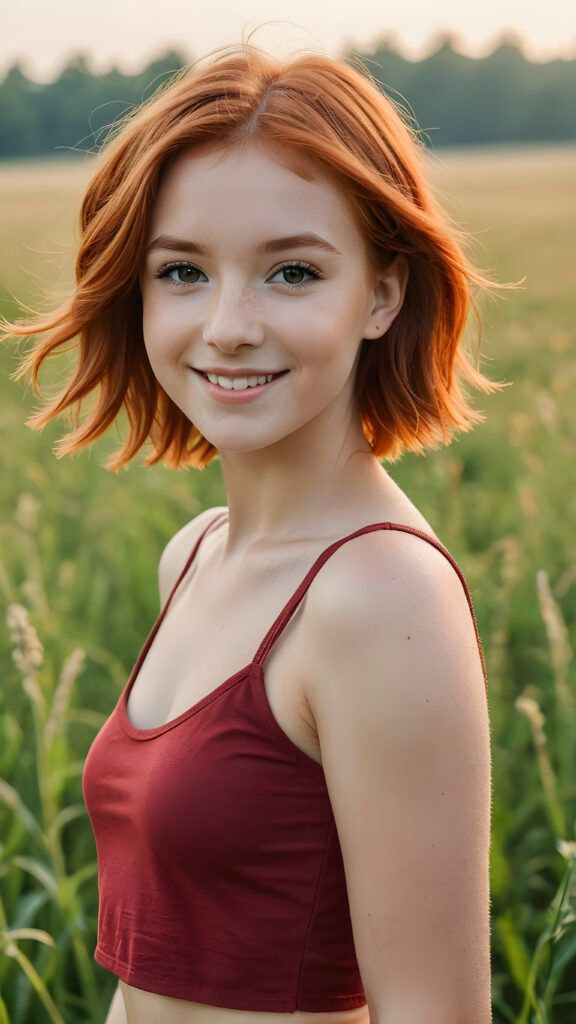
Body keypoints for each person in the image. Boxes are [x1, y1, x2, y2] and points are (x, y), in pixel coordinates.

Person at [5, 44, 493, 1024]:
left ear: (383, 295)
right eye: (183, 271)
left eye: (292, 272)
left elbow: (435, 1012)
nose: (227, 325)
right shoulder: (193, 552)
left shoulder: (380, 596)